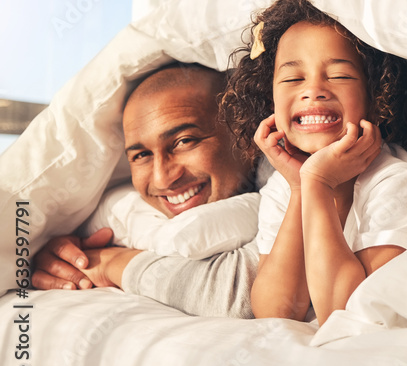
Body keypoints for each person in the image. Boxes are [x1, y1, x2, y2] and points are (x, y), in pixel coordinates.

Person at [226, 0, 407, 325]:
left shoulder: (399, 182)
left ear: (376, 96)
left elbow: (346, 313)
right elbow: (276, 310)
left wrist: (317, 184)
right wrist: (301, 188)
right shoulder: (286, 185)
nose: (314, 91)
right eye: (293, 79)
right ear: (270, 99)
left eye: (339, 75)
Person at [30, 65, 261, 317]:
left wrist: (111, 261)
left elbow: (243, 296)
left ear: (246, 136)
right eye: (141, 155)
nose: (163, 179)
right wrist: (62, 256)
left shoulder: (291, 187)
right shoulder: (120, 219)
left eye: (184, 141)